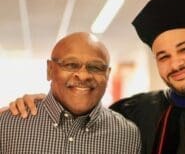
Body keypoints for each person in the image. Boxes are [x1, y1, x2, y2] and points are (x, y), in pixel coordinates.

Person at [3, 0, 185, 154]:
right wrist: (39, 102)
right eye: (163, 56)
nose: (175, 63)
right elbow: (81, 113)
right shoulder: (140, 110)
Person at [0, 32, 141, 154]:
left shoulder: (128, 135)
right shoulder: (6, 125)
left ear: (108, 74)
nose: (84, 75)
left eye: (96, 67)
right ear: (50, 70)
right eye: (71, 65)